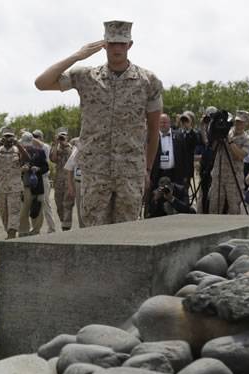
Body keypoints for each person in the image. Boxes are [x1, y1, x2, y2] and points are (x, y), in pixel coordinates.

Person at [35, 20, 163, 226]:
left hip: (129, 173)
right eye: (112, 43)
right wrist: (77, 56)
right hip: (95, 173)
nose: (117, 48)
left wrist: (147, 169)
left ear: (130, 45)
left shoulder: (148, 81)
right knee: (93, 235)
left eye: (122, 43)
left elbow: (154, 130)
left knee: (127, 234)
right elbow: (41, 83)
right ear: (104, 44)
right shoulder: (86, 77)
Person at [207, 112, 249, 214]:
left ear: (246, 123)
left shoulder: (247, 139)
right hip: (219, 174)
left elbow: (240, 155)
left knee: (234, 207)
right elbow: (213, 148)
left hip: (234, 177)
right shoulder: (225, 131)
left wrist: (230, 141)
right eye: (236, 122)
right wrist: (216, 134)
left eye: (241, 122)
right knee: (214, 204)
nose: (238, 124)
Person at [0, 127, 28, 239]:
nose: (8, 138)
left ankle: (12, 234)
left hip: (15, 187)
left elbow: (27, 159)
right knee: (3, 213)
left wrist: (19, 145)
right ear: (2, 137)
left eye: (10, 136)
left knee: (14, 212)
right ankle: (9, 232)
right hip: (1, 187)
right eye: (6, 136)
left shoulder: (18, 149)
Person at [18, 132, 49, 236]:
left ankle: (36, 231)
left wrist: (38, 169)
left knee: (37, 208)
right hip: (24, 186)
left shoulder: (40, 152)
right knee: (23, 210)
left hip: (37, 185)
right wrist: (21, 169)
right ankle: (23, 231)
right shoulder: (19, 153)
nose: (27, 146)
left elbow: (46, 167)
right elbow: (13, 169)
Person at [49, 128, 74, 230]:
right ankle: (64, 223)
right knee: (59, 205)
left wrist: (66, 145)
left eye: (64, 136)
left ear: (67, 137)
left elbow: (73, 159)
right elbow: (53, 159)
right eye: (60, 136)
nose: (62, 137)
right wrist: (55, 144)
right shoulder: (56, 148)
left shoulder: (71, 148)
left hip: (68, 181)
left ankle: (66, 227)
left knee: (67, 204)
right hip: (58, 181)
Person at [32, 129, 55, 233]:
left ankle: (52, 228)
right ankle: (36, 228)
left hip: (44, 178)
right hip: (34, 180)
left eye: (37, 136)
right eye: (33, 136)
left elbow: (43, 146)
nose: (35, 138)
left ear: (41, 137)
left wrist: (30, 136)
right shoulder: (32, 149)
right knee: (35, 203)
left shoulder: (45, 147)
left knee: (46, 203)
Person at [65, 137, 85, 228]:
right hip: (79, 183)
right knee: (81, 211)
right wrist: (70, 186)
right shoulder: (77, 148)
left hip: (94, 183)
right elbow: (69, 168)